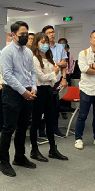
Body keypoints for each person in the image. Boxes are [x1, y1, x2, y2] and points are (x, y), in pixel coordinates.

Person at [0, 21, 37, 177]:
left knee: (22, 127)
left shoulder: (28, 52)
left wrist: (33, 88)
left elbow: (32, 72)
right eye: (22, 34)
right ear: (13, 35)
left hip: (27, 92)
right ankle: (3, 162)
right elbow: (7, 75)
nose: (25, 36)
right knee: (9, 128)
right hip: (12, 93)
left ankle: (19, 157)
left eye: (26, 34)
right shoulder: (7, 51)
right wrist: (23, 91)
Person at [29, 33, 68, 162]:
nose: (45, 44)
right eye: (42, 42)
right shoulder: (34, 58)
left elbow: (56, 76)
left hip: (50, 90)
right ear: (36, 44)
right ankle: (34, 150)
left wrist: (52, 75)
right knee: (36, 120)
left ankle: (53, 149)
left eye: (46, 42)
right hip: (39, 91)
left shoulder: (50, 58)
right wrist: (53, 74)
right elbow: (40, 77)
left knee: (51, 120)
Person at [42, 25, 68, 137]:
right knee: (44, 106)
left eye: (52, 32)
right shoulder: (43, 47)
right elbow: (45, 63)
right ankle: (42, 129)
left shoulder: (60, 47)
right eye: (48, 33)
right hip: (46, 80)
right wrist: (58, 63)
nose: (51, 34)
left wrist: (64, 78)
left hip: (57, 80)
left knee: (56, 106)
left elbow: (64, 64)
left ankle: (54, 128)